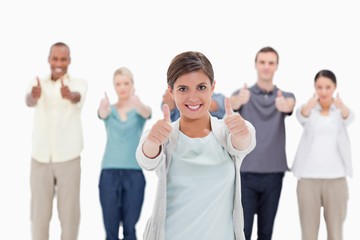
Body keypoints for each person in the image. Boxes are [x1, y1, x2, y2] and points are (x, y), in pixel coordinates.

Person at [136, 51, 256, 240]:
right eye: (183, 89)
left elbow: (243, 144)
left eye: (201, 87)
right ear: (171, 92)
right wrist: (152, 142)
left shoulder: (226, 132)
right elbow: (147, 159)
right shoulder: (164, 135)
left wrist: (241, 133)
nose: (193, 97)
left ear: (212, 87)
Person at [230, 46, 295, 240]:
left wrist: (286, 105)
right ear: (256, 65)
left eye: (271, 63)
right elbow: (232, 103)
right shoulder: (243, 95)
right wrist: (237, 100)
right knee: (243, 231)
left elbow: (290, 105)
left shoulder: (285, 96)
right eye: (262, 62)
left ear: (276, 67)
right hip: (247, 174)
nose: (266, 67)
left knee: (266, 233)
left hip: (274, 174)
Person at [26, 42, 87, 240]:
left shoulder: (78, 83)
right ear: (49, 59)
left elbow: (78, 97)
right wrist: (33, 97)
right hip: (40, 159)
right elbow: (29, 100)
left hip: (68, 158)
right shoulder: (37, 84)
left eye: (63, 59)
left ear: (69, 61)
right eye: (55, 58)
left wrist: (70, 95)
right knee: (39, 217)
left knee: (69, 216)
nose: (58, 63)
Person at [291, 70, 354, 240]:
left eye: (328, 87)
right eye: (319, 87)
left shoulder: (340, 111)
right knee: (308, 234)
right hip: (308, 179)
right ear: (315, 87)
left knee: (335, 233)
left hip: (336, 179)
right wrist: (307, 107)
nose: (324, 91)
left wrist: (341, 107)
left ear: (334, 87)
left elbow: (350, 117)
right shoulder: (310, 109)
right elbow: (300, 115)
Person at [97, 67, 151, 240]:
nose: (122, 87)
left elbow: (147, 112)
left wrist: (138, 103)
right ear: (114, 86)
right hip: (109, 173)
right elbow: (102, 113)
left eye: (126, 83)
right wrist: (103, 108)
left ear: (132, 85)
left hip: (134, 173)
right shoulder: (109, 110)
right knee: (110, 231)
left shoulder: (138, 110)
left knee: (130, 228)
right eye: (118, 84)